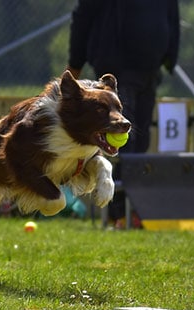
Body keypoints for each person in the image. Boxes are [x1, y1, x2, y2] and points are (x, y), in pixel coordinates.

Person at [67, 0, 180, 227]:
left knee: (140, 142)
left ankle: (128, 210)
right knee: (124, 141)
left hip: (149, 69)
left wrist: (170, 55)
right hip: (116, 68)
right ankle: (118, 212)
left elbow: (172, 15)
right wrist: (75, 64)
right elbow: (83, 16)